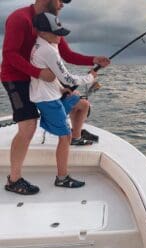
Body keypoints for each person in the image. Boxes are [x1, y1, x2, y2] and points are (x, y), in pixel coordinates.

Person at [1, 0, 110, 195]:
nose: (62, 5)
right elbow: (9, 55)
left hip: (42, 80)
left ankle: (73, 137)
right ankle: (14, 180)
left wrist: (93, 60)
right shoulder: (20, 18)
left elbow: (66, 54)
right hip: (16, 79)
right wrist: (38, 73)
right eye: (60, 0)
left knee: (80, 103)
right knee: (28, 126)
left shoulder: (50, 22)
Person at [30, 12, 96, 188]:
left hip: (51, 94)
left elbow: (57, 78)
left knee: (82, 104)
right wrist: (89, 78)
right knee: (64, 137)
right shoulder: (47, 49)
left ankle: (77, 137)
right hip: (48, 100)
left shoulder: (43, 44)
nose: (60, 36)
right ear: (42, 32)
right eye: (56, 32)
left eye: (60, 32)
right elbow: (68, 78)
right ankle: (62, 178)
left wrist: (60, 88)